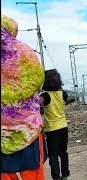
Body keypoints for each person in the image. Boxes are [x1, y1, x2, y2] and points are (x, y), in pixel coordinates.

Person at [1, 15, 46, 180]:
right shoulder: (25, 51)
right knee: (32, 172)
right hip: (28, 128)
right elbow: (38, 80)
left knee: (5, 173)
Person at [40, 69, 70, 180]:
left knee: (53, 156)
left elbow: (36, 104)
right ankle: (65, 175)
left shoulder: (45, 96)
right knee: (63, 152)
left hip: (52, 130)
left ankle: (56, 178)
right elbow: (66, 102)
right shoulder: (63, 94)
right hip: (63, 127)